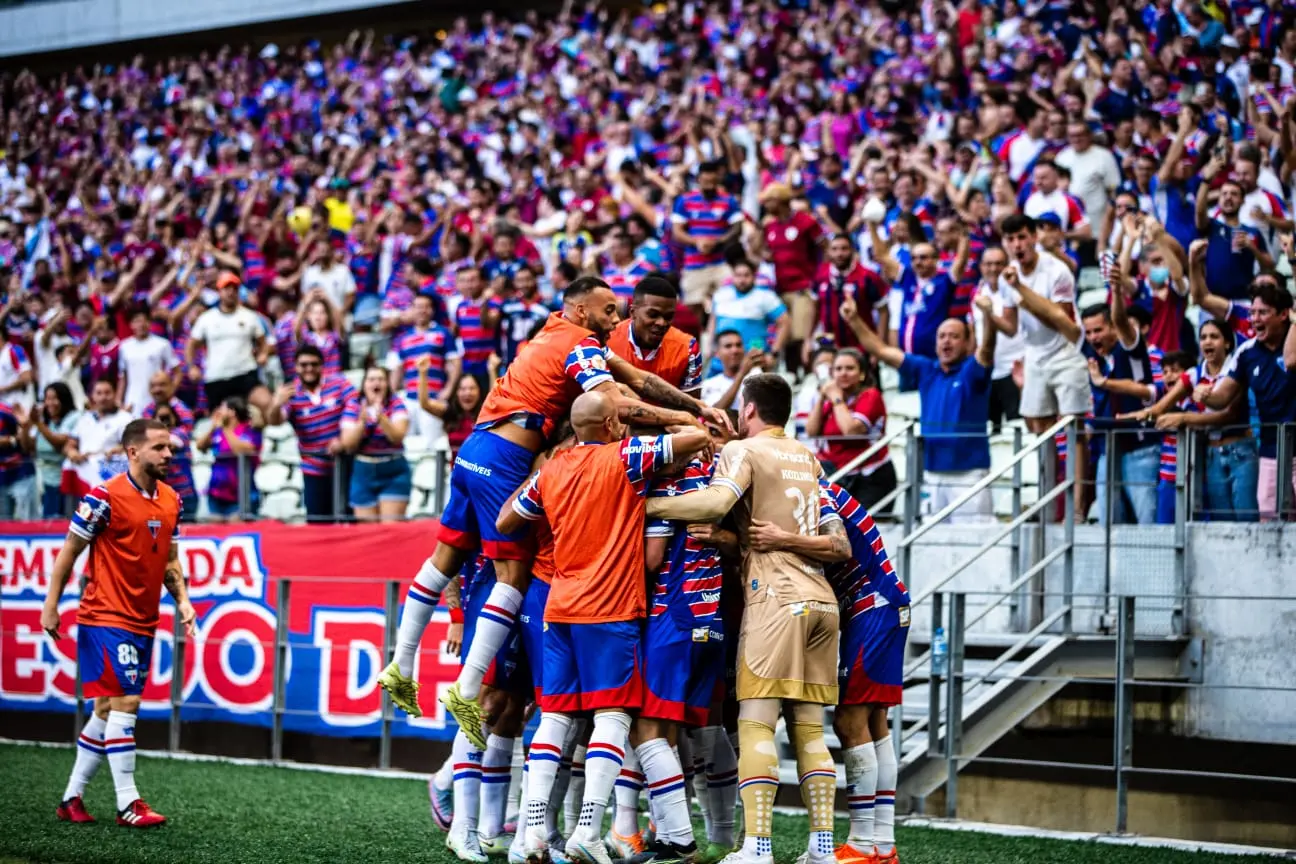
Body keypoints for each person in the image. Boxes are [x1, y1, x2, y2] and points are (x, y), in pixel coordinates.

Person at [379, 277, 728, 741]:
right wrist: (682, 422)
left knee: (443, 559)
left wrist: (695, 405)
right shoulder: (580, 344)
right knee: (513, 577)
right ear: (582, 311)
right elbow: (617, 402)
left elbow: (640, 380)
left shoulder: (551, 335)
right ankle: (464, 688)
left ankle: (401, 666)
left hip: (473, 450)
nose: (616, 320)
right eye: (608, 312)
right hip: (506, 456)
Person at [643, 374, 851, 864]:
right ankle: (821, 847)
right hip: (822, 601)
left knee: (757, 724)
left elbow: (716, 503)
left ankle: (757, 846)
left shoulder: (744, 451)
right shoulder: (808, 457)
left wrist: (649, 505)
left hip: (774, 599)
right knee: (810, 729)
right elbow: (835, 542)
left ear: (749, 410)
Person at [499, 390, 712, 864]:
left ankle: (533, 834)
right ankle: (587, 832)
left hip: (560, 607)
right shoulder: (627, 454)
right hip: (609, 608)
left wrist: (546, 478)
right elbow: (697, 436)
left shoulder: (550, 471)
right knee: (612, 717)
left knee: (554, 717)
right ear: (614, 425)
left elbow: (508, 519)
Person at [42, 418, 193, 828]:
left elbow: (170, 559)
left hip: (144, 617)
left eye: (171, 449)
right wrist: (51, 605)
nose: (168, 455)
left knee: (107, 708)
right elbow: (69, 552)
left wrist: (183, 601)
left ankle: (71, 798)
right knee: (128, 701)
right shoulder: (102, 498)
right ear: (133, 452)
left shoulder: (172, 500)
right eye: (160, 448)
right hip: (105, 614)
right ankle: (129, 802)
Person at [841, 292, 997, 522]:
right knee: (930, 540)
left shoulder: (972, 371)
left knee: (976, 538)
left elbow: (987, 350)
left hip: (969, 474)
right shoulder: (927, 369)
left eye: (954, 336)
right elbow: (882, 351)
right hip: (931, 473)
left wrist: (988, 317)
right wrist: (854, 320)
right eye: (942, 336)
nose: (946, 341)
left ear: (966, 343)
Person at [1196, 284, 1296, 521]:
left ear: (1283, 314)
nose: (1254, 319)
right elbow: (1223, 398)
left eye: (1262, 312)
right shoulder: (1247, 352)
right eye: (1251, 313)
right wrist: (1206, 395)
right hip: (1271, 450)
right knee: (1269, 522)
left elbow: (1291, 361)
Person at [267, 345, 358, 522]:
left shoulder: (340, 384)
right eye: (304, 364)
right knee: (318, 522)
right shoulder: (291, 393)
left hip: (345, 463)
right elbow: (275, 421)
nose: (309, 368)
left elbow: (354, 409)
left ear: (322, 365)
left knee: (349, 519)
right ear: (296, 367)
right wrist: (276, 403)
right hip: (313, 469)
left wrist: (343, 441)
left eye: (314, 364)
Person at [806, 348, 895, 513]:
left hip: (870, 476)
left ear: (862, 373)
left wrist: (836, 399)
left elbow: (851, 430)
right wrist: (822, 397)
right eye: (838, 369)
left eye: (850, 368)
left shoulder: (871, 395)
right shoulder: (833, 397)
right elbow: (811, 431)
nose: (843, 373)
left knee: (865, 532)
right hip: (840, 476)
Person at [753, 183, 826, 371]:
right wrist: (761, 231)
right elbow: (760, 252)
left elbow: (825, 249)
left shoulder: (806, 222)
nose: (765, 206)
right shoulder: (771, 226)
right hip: (781, 289)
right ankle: (793, 374)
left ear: (779, 201)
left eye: (768, 201)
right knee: (787, 337)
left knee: (801, 335)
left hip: (802, 287)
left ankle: (808, 373)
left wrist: (819, 278)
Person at [186, 271, 271, 414]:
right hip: (216, 377)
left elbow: (263, 341)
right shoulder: (207, 318)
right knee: (219, 422)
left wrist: (263, 355)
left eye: (234, 288)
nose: (231, 292)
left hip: (245, 373)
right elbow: (191, 345)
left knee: (267, 403)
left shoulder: (250, 316)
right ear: (219, 291)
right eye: (226, 288)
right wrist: (191, 367)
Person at [604, 274, 703, 397]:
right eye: (653, 315)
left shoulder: (687, 347)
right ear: (632, 312)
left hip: (671, 416)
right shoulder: (605, 340)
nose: (662, 323)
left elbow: (693, 407)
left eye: (668, 317)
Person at [671, 160, 743, 320]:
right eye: (705, 182)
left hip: (720, 263)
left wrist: (717, 241)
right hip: (694, 263)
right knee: (692, 308)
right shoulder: (685, 201)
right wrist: (697, 242)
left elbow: (737, 228)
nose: (709, 186)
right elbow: (677, 231)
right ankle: (695, 341)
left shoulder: (728, 201)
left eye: (713, 182)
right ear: (698, 180)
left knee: (730, 302)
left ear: (717, 180)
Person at [386, 291, 462, 442]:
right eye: (418, 307)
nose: (422, 310)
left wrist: (448, 390)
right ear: (412, 310)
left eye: (426, 307)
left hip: (434, 398)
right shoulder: (403, 338)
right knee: (408, 444)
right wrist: (393, 396)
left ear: (432, 310)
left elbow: (456, 364)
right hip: (409, 399)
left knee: (432, 443)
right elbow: (397, 370)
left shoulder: (443, 333)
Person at [340, 365, 411, 522]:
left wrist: (381, 418)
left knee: (390, 529)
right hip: (363, 471)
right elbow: (347, 444)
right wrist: (362, 423)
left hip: (393, 470)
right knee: (368, 534)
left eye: (380, 379)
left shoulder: (396, 403)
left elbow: (398, 436)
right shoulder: (354, 405)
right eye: (371, 379)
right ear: (364, 384)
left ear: (387, 384)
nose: (376, 383)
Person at [140, 372, 198, 520]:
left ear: (172, 386)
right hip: (156, 494)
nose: (158, 389)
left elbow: (170, 443)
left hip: (182, 494)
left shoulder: (181, 410)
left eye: (162, 385)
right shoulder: (147, 410)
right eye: (154, 386)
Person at [708, 257, 789, 361]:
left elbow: (785, 322)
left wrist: (774, 353)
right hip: (722, 360)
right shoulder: (720, 295)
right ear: (732, 276)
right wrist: (710, 346)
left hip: (753, 357)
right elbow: (713, 320)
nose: (742, 280)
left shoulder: (765, 297)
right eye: (738, 275)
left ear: (754, 276)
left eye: (746, 275)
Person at [195, 397, 262, 522]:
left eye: (222, 407)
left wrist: (226, 428)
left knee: (237, 531)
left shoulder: (249, 430)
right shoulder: (217, 431)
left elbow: (241, 451)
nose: (218, 410)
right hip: (216, 494)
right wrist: (213, 426)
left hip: (240, 496)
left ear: (232, 412)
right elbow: (200, 446)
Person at [65, 379, 133, 498]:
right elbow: (70, 444)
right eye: (99, 393)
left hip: (111, 478)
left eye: (107, 393)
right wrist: (72, 453)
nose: (103, 397)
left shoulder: (125, 418)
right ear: (92, 396)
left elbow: (134, 445)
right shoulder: (85, 418)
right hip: (84, 474)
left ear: (115, 394)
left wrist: (119, 449)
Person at [418, 361, 494, 459]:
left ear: (479, 391)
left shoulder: (486, 414)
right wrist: (423, 373)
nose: (467, 393)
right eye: (462, 389)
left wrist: (493, 371)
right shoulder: (450, 412)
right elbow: (425, 404)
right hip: (456, 472)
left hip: (478, 471)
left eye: (472, 388)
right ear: (456, 393)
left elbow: (494, 400)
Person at [28, 382, 81, 518]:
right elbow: (28, 447)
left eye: (54, 398)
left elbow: (58, 444)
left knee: (63, 522)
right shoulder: (45, 421)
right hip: (43, 480)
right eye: (47, 398)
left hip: (64, 481)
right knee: (46, 523)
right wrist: (24, 426)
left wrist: (38, 423)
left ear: (64, 399)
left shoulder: (75, 417)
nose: (50, 403)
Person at [117, 305, 176, 415]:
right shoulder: (124, 347)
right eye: (137, 321)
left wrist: (170, 393)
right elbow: (123, 377)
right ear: (131, 325)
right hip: (132, 400)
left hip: (155, 399)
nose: (141, 325)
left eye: (144, 321)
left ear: (150, 323)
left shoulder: (162, 344)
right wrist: (119, 400)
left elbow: (177, 371)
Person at [700, 330, 763, 410]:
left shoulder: (757, 374)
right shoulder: (709, 385)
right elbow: (717, 412)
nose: (735, 350)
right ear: (717, 353)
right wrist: (741, 374)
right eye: (728, 346)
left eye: (738, 345)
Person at [0, 397, 36, 519]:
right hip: (1, 479)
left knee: (28, 523)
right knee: (3, 527)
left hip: (22, 474)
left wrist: (24, 427)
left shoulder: (7, 410)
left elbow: (27, 444)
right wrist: (11, 440)